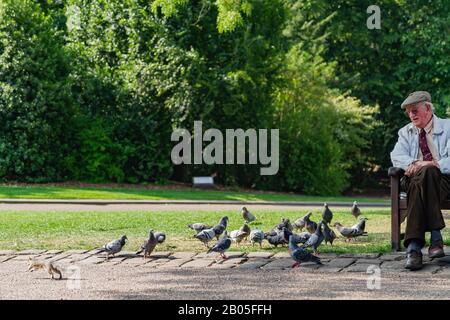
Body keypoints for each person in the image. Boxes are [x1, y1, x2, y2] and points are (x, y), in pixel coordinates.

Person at [391, 91, 449, 270]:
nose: (411, 115)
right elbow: (396, 156)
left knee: (429, 172)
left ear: (428, 108)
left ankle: (414, 247)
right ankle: (435, 237)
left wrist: (432, 163)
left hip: (444, 182)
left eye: (415, 110)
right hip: (411, 179)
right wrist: (415, 163)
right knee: (424, 174)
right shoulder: (405, 131)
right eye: (408, 111)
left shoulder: (448, 127)